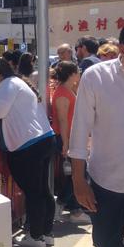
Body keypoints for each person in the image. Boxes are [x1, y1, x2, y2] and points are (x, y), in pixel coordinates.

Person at [69, 23, 124, 247]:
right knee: (106, 246)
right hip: (106, 181)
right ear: (122, 52)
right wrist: (78, 181)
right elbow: (79, 130)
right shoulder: (97, 77)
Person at [0, 58, 57, 247]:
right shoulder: (18, 82)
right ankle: (46, 233)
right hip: (43, 138)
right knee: (42, 190)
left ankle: (36, 236)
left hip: (28, 145)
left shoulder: (7, 84)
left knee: (34, 192)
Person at [50, 61, 86, 224]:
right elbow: (63, 120)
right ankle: (61, 204)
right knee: (77, 174)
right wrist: (65, 143)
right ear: (71, 74)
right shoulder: (62, 93)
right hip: (66, 138)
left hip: (71, 137)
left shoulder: (67, 90)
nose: (79, 74)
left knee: (75, 174)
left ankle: (74, 210)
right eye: (77, 72)